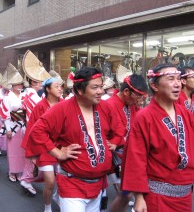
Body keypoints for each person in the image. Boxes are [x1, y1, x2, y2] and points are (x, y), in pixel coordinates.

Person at [25, 67, 124, 212]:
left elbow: (119, 127)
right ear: (79, 90)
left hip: (98, 184)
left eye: (101, 86)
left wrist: (115, 142)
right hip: (72, 185)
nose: (100, 91)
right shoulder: (62, 109)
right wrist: (57, 153)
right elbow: (37, 131)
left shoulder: (105, 107)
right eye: (95, 87)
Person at [121, 64, 194, 212]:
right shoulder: (144, 116)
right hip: (156, 197)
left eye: (178, 79)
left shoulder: (185, 114)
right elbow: (135, 158)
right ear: (154, 85)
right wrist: (139, 197)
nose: (177, 84)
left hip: (184, 196)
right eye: (170, 79)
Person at [108, 74, 148, 212]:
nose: (140, 101)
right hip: (114, 153)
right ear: (126, 92)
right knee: (126, 192)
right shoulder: (109, 105)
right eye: (138, 97)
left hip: (127, 151)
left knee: (125, 193)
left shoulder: (132, 105)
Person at [23, 76, 63, 212]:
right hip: (45, 148)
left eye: (61, 86)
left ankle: (57, 197)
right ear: (47, 89)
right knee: (50, 182)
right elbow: (32, 130)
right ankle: (47, 207)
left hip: (62, 148)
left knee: (64, 181)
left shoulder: (64, 104)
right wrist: (32, 153)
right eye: (56, 86)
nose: (60, 89)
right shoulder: (40, 106)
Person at [20, 50, 51, 194]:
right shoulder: (32, 97)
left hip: (34, 129)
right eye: (39, 81)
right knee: (34, 157)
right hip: (34, 130)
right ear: (33, 82)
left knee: (38, 157)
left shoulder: (33, 95)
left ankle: (28, 179)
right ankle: (26, 180)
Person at [0, 63, 26, 181]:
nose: (19, 86)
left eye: (20, 84)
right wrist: (8, 129)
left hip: (23, 126)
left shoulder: (24, 95)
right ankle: (12, 171)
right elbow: (5, 115)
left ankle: (20, 171)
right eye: (17, 84)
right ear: (12, 85)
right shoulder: (7, 97)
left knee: (22, 151)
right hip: (13, 126)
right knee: (13, 151)